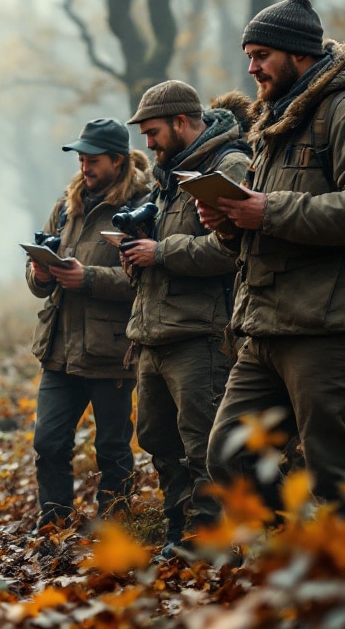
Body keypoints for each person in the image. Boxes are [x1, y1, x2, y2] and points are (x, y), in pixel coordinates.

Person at [198, 0, 345, 522]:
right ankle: (293, 565)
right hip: (265, 326)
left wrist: (267, 210)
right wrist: (228, 223)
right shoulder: (276, 123)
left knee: (339, 471)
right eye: (248, 54)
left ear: (299, 55)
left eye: (262, 54)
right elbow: (262, 225)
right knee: (230, 455)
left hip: (329, 325)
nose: (251, 67)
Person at [120, 81, 251, 560]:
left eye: (152, 132)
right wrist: (136, 255)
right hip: (153, 333)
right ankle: (179, 533)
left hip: (200, 334)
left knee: (204, 445)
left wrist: (161, 252)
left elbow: (231, 249)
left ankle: (212, 539)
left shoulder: (228, 166)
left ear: (181, 122)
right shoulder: (168, 174)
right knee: (157, 439)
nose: (147, 144)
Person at [26, 118, 153, 527]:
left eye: (93, 160)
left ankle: (117, 526)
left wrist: (90, 278)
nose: (85, 168)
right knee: (48, 443)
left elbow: (149, 280)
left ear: (118, 161)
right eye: (81, 159)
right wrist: (40, 275)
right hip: (59, 348)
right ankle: (54, 523)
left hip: (112, 350)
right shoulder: (66, 206)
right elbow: (35, 278)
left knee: (113, 447)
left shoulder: (143, 207)